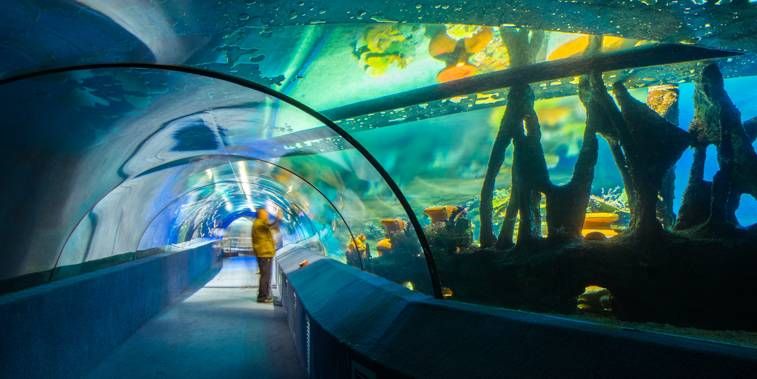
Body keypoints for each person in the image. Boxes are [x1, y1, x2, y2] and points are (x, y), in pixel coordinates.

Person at [252, 207, 281, 303]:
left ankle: (265, 295)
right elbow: (271, 226)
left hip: (265, 253)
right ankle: (262, 297)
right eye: (265, 213)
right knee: (265, 276)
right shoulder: (259, 224)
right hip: (264, 253)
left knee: (266, 275)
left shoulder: (260, 223)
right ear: (260, 214)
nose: (267, 215)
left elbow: (273, 227)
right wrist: (277, 218)